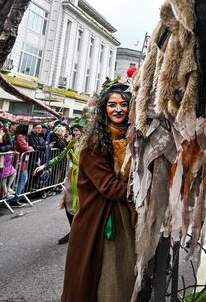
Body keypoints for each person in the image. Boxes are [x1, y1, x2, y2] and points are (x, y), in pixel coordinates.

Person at [62, 84, 136, 302]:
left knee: (125, 276)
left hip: (125, 217)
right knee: (107, 279)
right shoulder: (94, 144)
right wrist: (148, 193)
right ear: (104, 109)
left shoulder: (132, 139)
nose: (118, 110)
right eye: (112, 105)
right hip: (101, 221)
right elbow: (109, 187)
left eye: (124, 105)